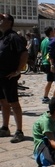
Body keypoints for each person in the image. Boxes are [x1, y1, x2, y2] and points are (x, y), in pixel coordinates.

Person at [0, 14, 28, 143]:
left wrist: (18, 70)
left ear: (9, 22)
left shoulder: (13, 37)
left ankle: (19, 131)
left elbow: (24, 53)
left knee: (14, 103)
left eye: (2, 19)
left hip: (9, 76)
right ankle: (5, 128)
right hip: (0, 76)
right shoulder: (2, 37)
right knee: (3, 102)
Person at [40, 26, 55, 103]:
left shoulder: (43, 41)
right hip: (50, 63)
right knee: (50, 81)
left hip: (44, 62)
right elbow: (50, 53)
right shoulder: (51, 41)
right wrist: (52, 64)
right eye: (53, 31)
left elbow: (42, 52)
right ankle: (45, 96)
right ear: (50, 32)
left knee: (53, 80)